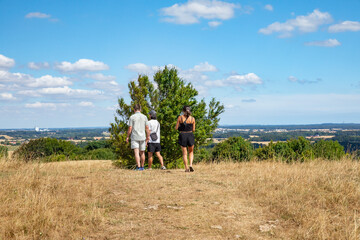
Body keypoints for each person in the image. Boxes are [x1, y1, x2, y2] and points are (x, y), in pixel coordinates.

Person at [126, 104, 150, 171]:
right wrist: (148, 136)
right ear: (140, 109)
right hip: (142, 136)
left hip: (135, 136)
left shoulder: (132, 117)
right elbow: (147, 127)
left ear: (134, 109)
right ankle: (142, 167)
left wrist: (127, 136)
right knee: (142, 152)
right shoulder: (144, 117)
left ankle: (138, 167)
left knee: (136, 152)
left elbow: (130, 128)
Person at [175, 105, 195, 172]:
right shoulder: (192, 119)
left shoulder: (180, 118)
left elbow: (176, 128)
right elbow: (194, 129)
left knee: (184, 153)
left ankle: (186, 168)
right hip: (190, 135)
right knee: (191, 152)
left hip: (183, 135)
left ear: (183, 111)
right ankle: (191, 165)